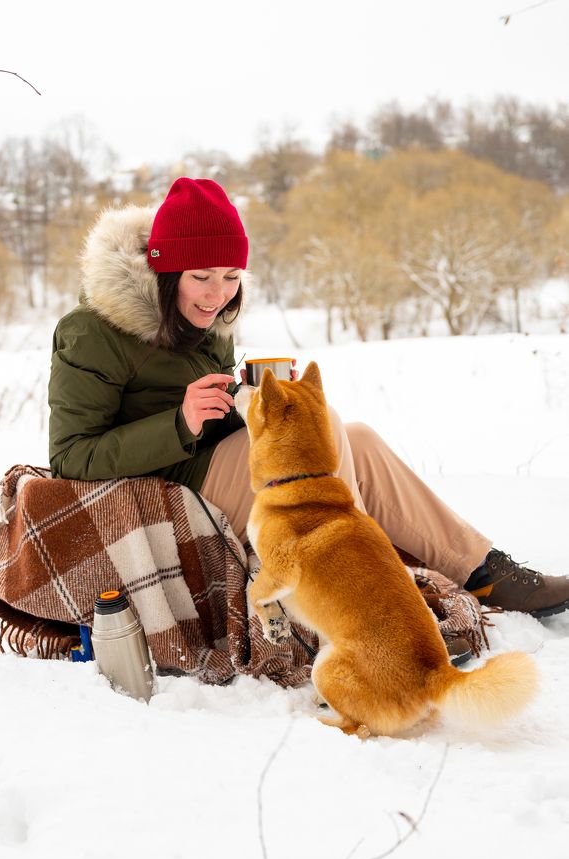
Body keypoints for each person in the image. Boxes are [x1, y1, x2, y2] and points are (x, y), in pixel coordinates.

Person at [48, 177, 569, 661]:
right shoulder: (92, 333)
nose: (217, 293)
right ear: (163, 273)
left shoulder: (205, 316)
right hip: (167, 485)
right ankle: (368, 608)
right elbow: (70, 456)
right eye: (200, 277)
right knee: (327, 433)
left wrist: (257, 402)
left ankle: (484, 570)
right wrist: (180, 422)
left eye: (231, 277)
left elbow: (218, 415)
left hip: (211, 458)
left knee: (355, 437)